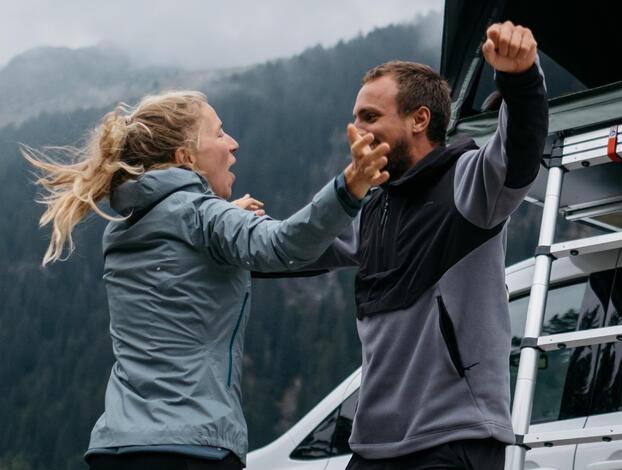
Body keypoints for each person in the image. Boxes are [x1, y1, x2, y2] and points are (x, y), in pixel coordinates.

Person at [23, 90, 390, 470]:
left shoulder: (123, 229)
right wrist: (350, 187)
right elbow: (284, 245)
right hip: (189, 447)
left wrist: (222, 220)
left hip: (117, 447)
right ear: (185, 157)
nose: (232, 144)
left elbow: (177, 253)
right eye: (219, 133)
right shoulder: (204, 218)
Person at [300, 21, 549, 469]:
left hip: (453, 439)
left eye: (370, 117)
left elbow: (520, 152)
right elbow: (294, 251)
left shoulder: (470, 181)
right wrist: (225, 229)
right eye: (355, 119)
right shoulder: (372, 207)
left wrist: (521, 78)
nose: (355, 132)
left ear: (419, 119)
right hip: (374, 446)